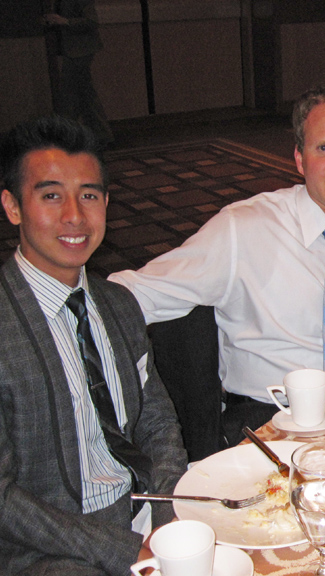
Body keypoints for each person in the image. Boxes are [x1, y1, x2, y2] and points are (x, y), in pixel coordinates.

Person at [110, 81, 325, 444]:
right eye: (324, 148)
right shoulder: (243, 230)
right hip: (264, 423)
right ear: (300, 159)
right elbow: (136, 295)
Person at [0, 116, 186, 575]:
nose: (74, 216)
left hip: (140, 510)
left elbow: (158, 423)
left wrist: (168, 514)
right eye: (51, 196)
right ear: (13, 206)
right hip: (47, 547)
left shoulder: (118, 303)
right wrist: (121, 549)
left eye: (88, 195)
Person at [44, 0, 114, 145]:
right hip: (77, 50)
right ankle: (98, 134)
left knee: (72, 93)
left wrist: (65, 21)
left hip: (79, 50)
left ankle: (69, 134)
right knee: (83, 93)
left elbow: (92, 21)